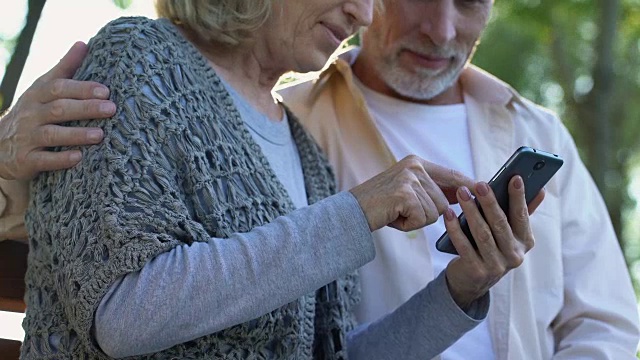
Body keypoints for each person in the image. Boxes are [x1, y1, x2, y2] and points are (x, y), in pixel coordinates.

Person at [0, 1, 539, 359]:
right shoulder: (139, 59)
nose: (365, 13)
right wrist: (358, 210)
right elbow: (122, 313)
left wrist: (459, 290)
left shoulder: (306, 150)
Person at [276, 0, 640, 359]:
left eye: (469, 3)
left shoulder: (540, 132)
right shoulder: (286, 121)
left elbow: (604, 324)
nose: (441, 31)